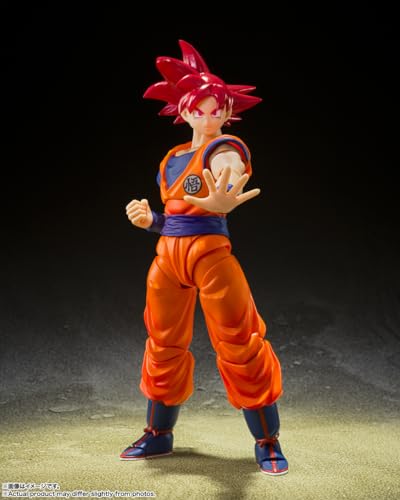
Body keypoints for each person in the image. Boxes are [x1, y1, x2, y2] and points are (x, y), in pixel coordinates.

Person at [120, 40, 288, 475]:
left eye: (218, 111)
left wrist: (225, 195)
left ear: (228, 113)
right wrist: (150, 220)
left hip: (211, 255)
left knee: (239, 340)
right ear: (185, 111)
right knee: (162, 342)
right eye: (201, 110)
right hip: (167, 256)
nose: (210, 118)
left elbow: (230, 170)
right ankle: (158, 434)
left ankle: (267, 441)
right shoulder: (173, 158)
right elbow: (175, 216)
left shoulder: (225, 146)